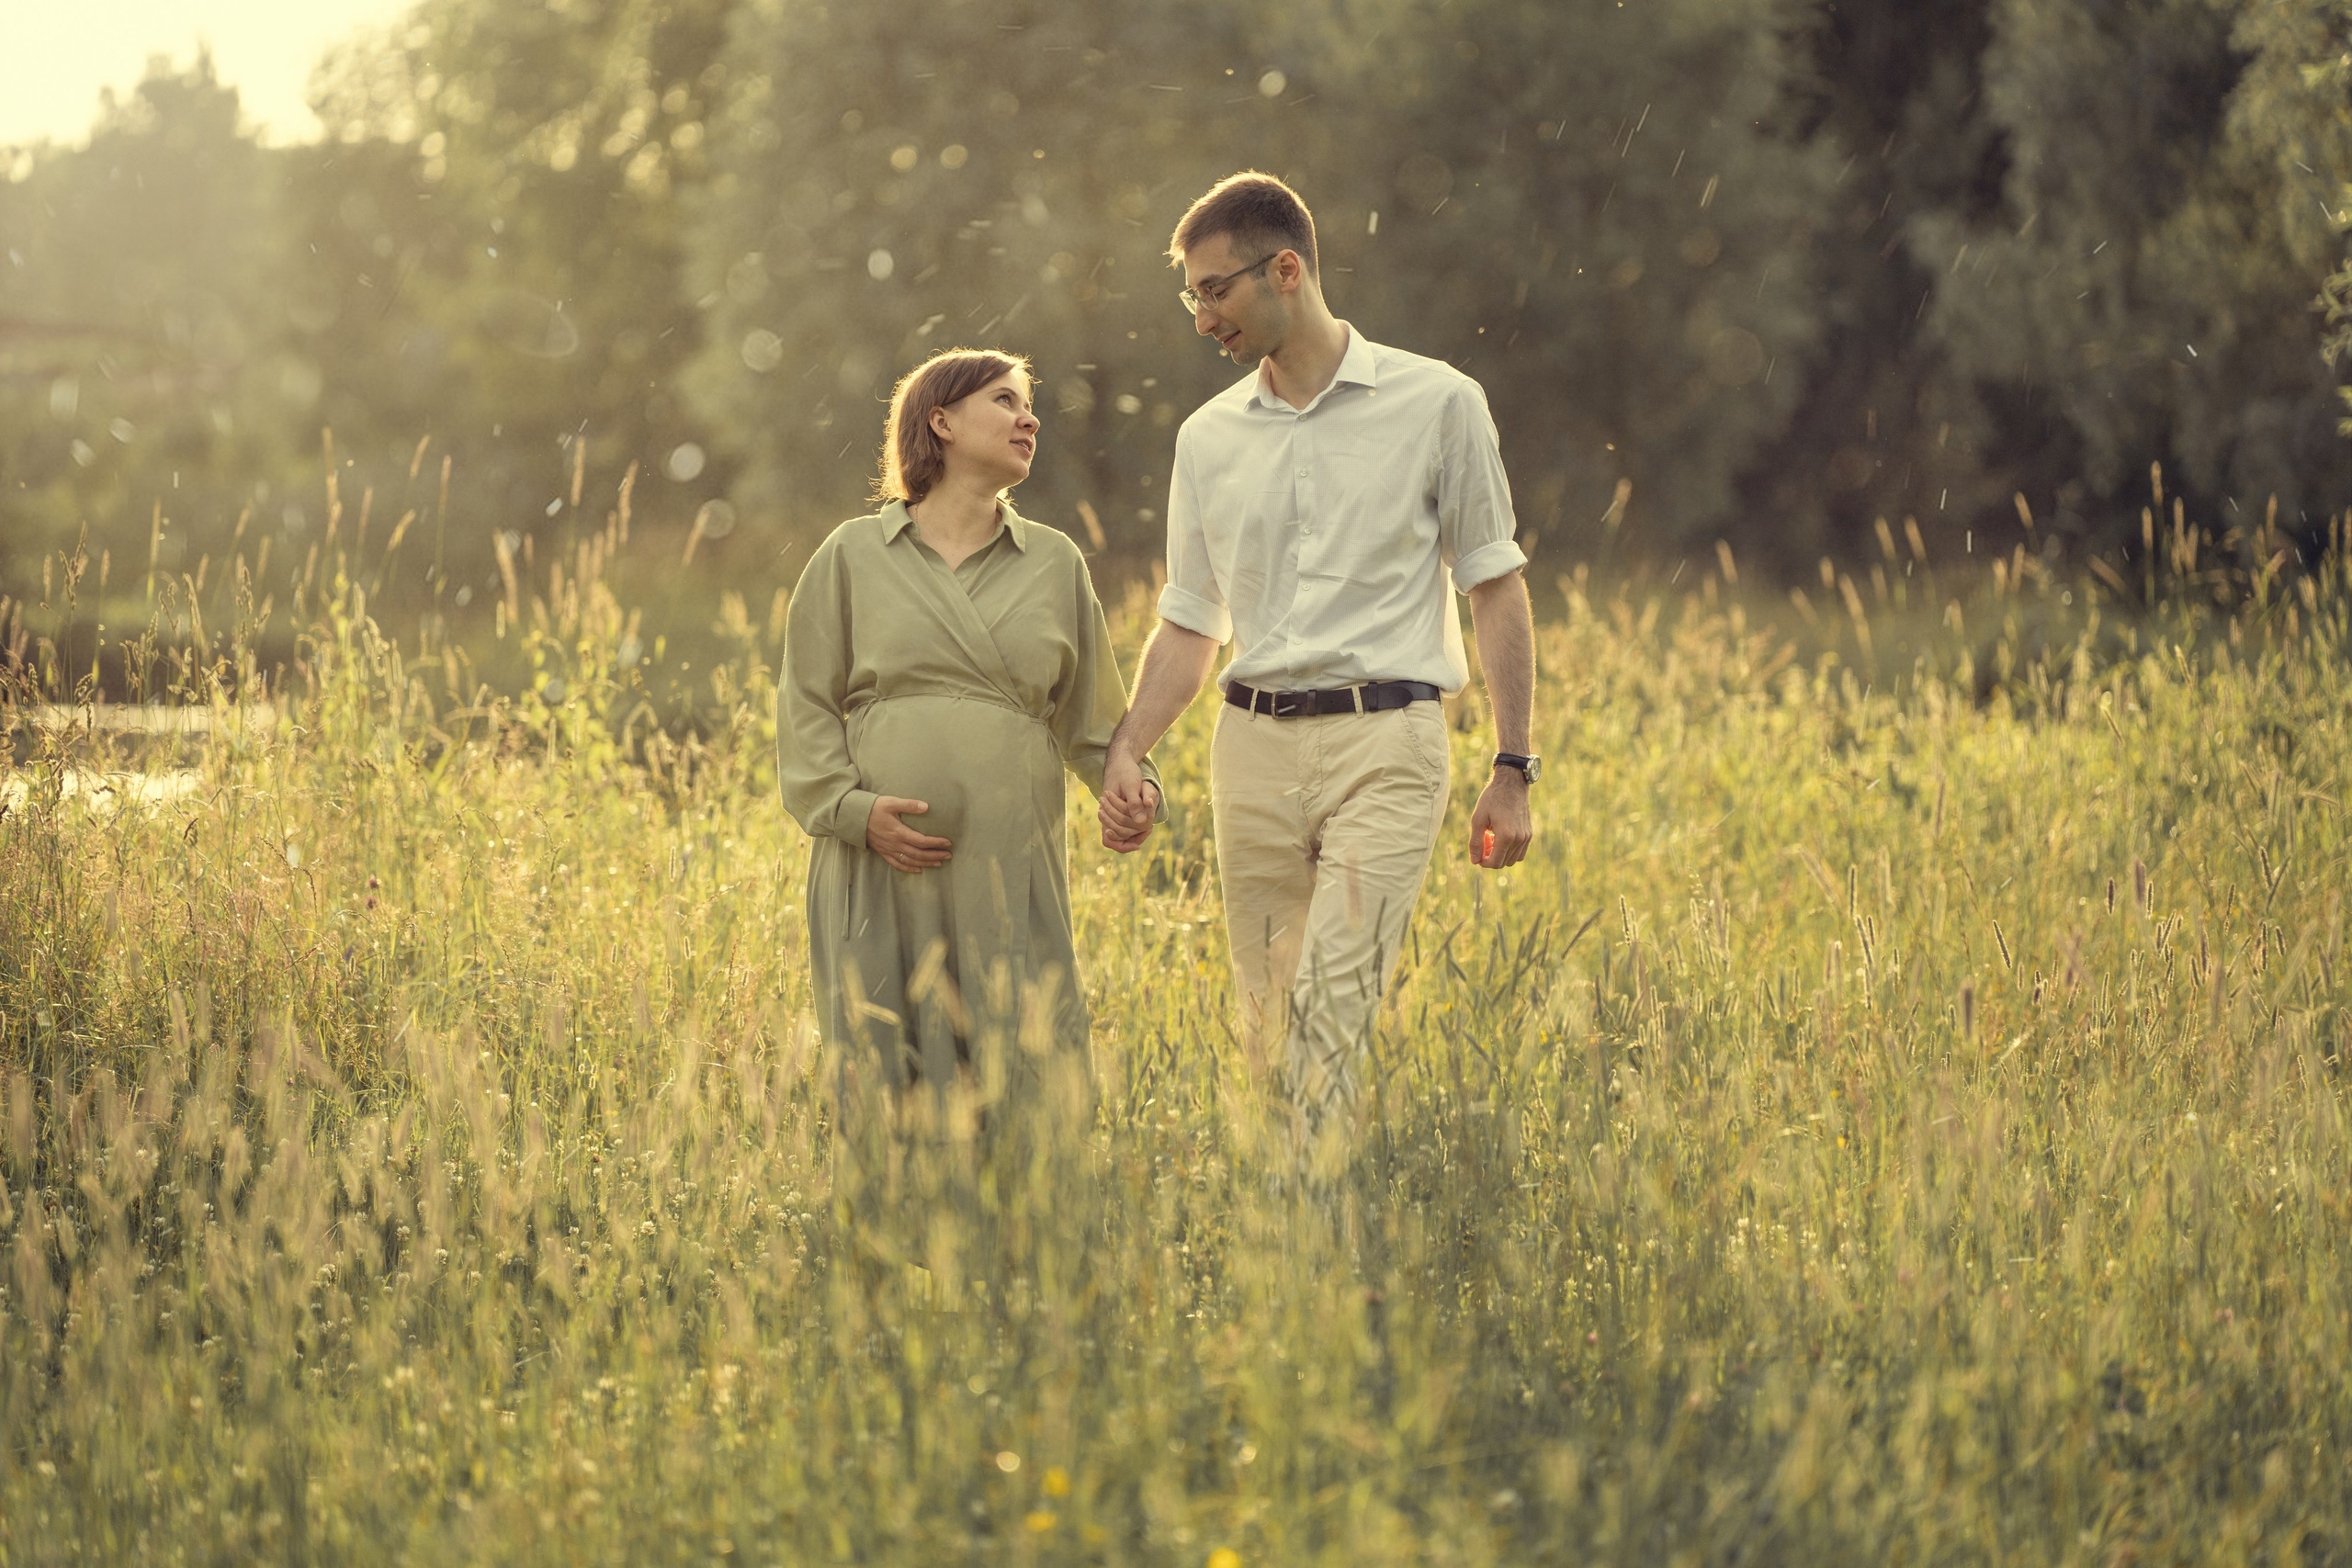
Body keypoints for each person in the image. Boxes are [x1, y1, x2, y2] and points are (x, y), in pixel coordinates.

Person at [1100, 172, 1539, 1148]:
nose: (1200, 315)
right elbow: (1187, 621)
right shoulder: (1206, 438)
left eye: (1213, 290)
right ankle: (1294, 1240)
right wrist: (1129, 748)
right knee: (1266, 1026)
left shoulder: (1438, 403)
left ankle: (1308, 1248)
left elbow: (1493, 584)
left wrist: (1512, 767)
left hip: (1387, 742)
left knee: (1330, 1010)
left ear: (1285, 270)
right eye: (1191, 295)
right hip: (1249, 750)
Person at [776, 346, 1163, 1099]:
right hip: (878, 863)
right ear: (941, 420)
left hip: (1009, 861)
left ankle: (1024, 1218)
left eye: (1029, 405)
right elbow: (806, 705)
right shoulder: (852, 553)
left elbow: (1094, 724)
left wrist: (1129, 786)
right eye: (1006, 401)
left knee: (1023, 1064)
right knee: (884, 1066)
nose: (1030, 418)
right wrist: (854, 813)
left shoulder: (1054, 563)